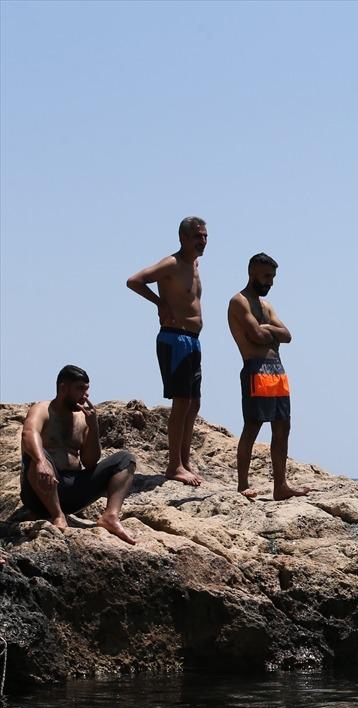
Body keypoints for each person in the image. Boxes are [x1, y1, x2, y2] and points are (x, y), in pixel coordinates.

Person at [126, 216, 207, 486]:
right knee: (181, 402)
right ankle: (174, 466)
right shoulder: (172, 263)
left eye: (205, 236)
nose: (203, 241)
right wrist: (159, 303)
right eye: (197, 236)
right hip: (175, 340)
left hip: (192, 340)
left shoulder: (194, 265)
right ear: (183, 238)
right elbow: (135, 281)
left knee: (194, 403)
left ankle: (184, 460)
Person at [20, 365, 137, 544]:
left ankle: (110, 517)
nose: (86, 395)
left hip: (72, 492)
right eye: (80, 388)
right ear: (63, 388)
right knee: (35, 454)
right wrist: (40, 461)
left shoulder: (82, 418)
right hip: (39, 491)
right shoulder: (42, 409)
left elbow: (90, 462)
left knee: (125, 459)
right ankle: (57, 515)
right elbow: (28, 434)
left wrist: (93, 426)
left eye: (87, 389)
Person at [226, 253, 310, 501]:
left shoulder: (266, 306)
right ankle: (243, 485)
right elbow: (256, 336)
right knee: (253, 425)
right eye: (266, 276)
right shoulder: (239, 301)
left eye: (272, 277)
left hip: (277, 369)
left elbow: (287, 335)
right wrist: (270, 334)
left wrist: (269, 329)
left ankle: (280, 486)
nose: (270, 282)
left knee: (283, 426)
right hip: (256, 368)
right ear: (252, 272)